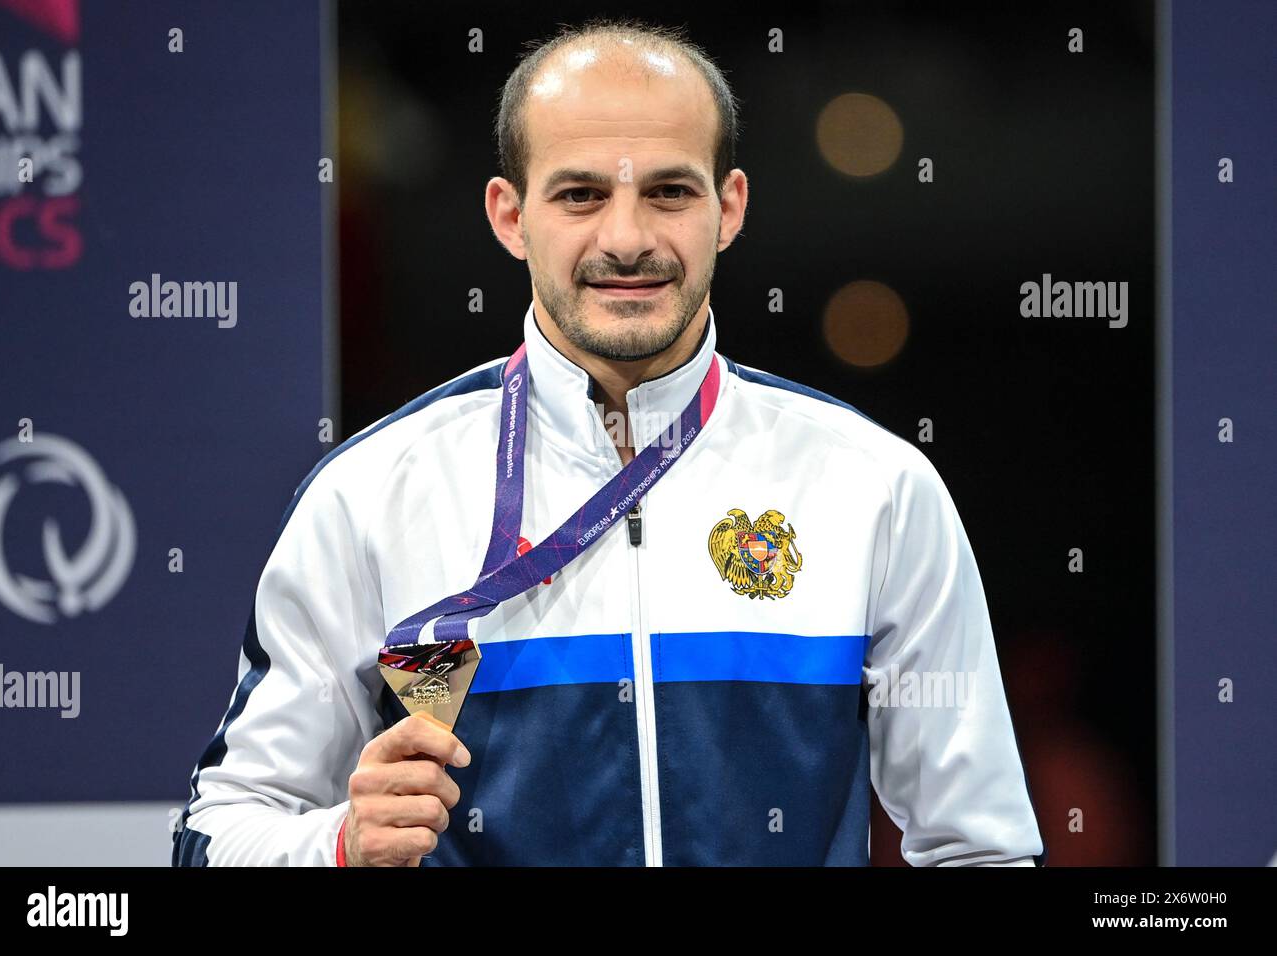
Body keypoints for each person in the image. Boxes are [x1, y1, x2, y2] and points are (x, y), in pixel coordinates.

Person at [173, 17, 1045, 867]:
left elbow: (982, 847)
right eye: (581, 194)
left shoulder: (873, 487)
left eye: (668, 191)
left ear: (729, 206)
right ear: (510, 216)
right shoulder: (371, 494)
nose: (626, 240)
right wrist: (337, 847)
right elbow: (215, 838)